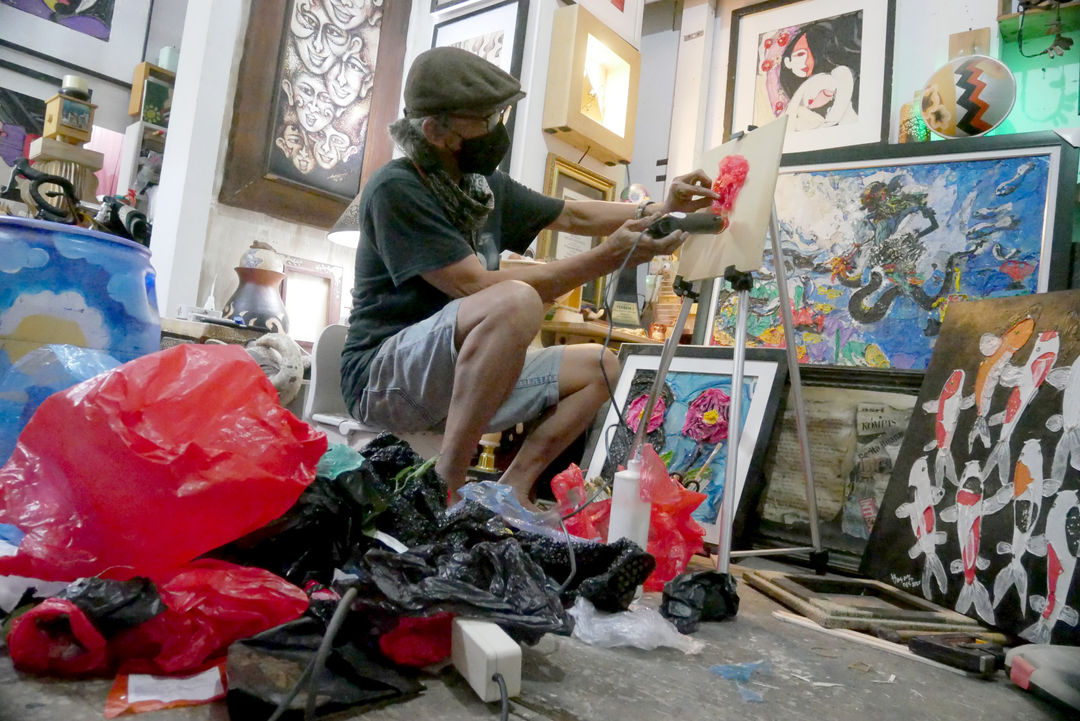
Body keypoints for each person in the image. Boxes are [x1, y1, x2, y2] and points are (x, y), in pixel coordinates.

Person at [340, 47, 719, 504]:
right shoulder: (396, 188)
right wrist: (607, 257)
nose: (496, 129)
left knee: (604, 365)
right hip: (383, 381)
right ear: (435, 131)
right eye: (485, 119)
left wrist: (663, 207)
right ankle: (447, 486)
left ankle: (513, 488)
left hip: (460, 376)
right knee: (516, 300)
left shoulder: (480, 187)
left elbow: (576, 215)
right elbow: (473, 286)